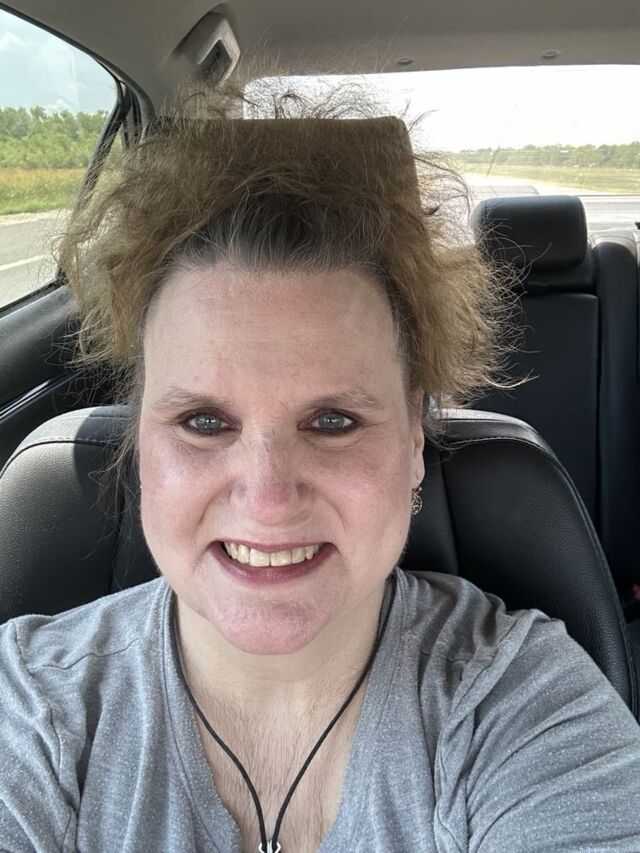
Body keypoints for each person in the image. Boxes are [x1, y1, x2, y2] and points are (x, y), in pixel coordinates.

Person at [1, 87, 640, 853]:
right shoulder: (32, 706)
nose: (268, 498)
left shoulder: (522, 705)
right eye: (203, 421)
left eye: (332, 421)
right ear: (140, 440)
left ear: (414, 441)